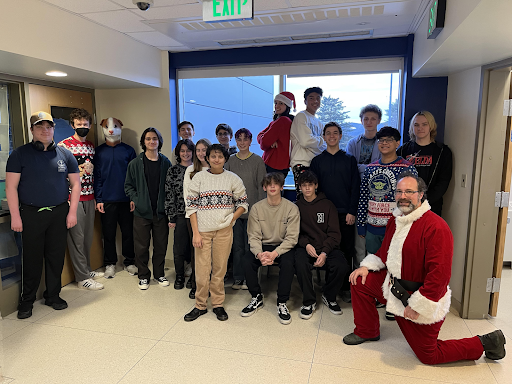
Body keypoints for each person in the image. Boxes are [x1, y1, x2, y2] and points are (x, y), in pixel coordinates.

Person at [344, 172, 506, 365]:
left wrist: (418, 305)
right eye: (399, 191)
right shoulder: (395, 220)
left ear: (421, 195)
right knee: (360, 281)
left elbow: (440, 276)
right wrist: (367, 267)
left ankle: (486, 342)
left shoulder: (436, 227)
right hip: (394, 285)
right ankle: (367, 331)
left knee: (429, 355)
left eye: (409, 192)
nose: (403, 196)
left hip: (419, 294)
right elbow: (385, 251)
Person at [6, 111, 80, 319]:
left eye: (49, 127)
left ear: (53, 129)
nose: (45, 130)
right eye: (40, 127)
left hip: (59, 213)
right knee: (31, 259)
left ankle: (53, 295)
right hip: (30, 214)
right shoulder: (19, 155)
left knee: (55, 258)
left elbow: (75, 185)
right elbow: (11, 188)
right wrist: (15, 216)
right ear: (32, 130)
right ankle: (27, 300)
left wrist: (72, 212)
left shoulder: (66, 155)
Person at [184, 144, 248, 322]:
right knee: (202, 270)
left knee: (219, 269)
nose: (216, 159)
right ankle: (200, 305)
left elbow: (243, 203)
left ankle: (218, 304)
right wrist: (195, 233)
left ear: (225, 159)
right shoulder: (198, 178)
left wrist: (231, 220)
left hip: (223, 231)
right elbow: (191, 207)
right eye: (213, 156)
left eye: (220, 156)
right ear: (207, 158)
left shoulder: (233, 179)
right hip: (202, 231)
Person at [310, 122, 360, 303]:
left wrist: (351, 211)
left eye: (335, 133)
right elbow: (313, 190)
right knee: (326, 248)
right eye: (328, 133)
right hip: (323, 214)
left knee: (346, 249)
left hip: (344, 212)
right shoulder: (316, 161)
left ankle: (345, 287)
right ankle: (327, 285)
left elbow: (355, 188)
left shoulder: (349, 160)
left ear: (340, 136)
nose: (331, 136)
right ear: (323, 137)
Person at [240, 172, 300, 325]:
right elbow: (253, 236)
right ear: (264, 188)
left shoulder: (291, 208)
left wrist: (275, 253)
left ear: (281, 187)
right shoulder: (256, 208)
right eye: (269, 184)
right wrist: (259, 254)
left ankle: (282, 302)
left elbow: (292, 238)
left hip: (282, 247)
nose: (272, 186)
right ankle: (256, 297)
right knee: (247, 260)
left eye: (276, 183)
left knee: (288, 263)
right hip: (263, 246)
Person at [58, 108, 104, 291]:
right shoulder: (63, 146)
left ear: (90, 125)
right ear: (72, 125)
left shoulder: (91, 146)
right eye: (78, 124)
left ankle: (86, 269)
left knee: (87, 237)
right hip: (72, 198)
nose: (82, 127)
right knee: (76, 238)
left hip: (89, 196)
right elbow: (59, 173)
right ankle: (82, 277)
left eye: (85, 124)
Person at [294, 170, 349, 319]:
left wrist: (324, 252)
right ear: (299, 187)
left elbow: (334, 234)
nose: (307, 188)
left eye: (310, 185)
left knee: (341, 265)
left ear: (316, 186)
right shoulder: (296, 206)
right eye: (303, 185)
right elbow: (294, 233)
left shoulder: (328, 205)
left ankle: (329, 296)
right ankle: (309, 301)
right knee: (299, 262)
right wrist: (306, 245)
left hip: (327, 247)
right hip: (306, 247)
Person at [357, 127, 417, 256]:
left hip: (397, 228)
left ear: (397, 143)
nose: (384, 143)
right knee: (373, 265)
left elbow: (414, 201)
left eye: (389, 140)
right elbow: (363, 197)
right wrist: (361, 224)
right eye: (381, 140)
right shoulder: (370, 168)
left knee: (394, 267)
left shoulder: (407, 168)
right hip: (372, 228)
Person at [125, 127, 171, 290]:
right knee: (141, 246)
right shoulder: (135, 163)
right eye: (148, 139)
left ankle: (159, 274)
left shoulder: (165, 163)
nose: (152, 141)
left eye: (155, 138)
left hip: (160, 213)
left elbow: (170, 187)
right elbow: (128, 186)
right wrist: (136, 199)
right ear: (143, 142)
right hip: (142, 213)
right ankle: (143, 275)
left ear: (159, 141)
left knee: (160, 245)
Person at [94, 117, 138, 279]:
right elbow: (96, 177)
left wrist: (133, 197)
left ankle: (129, 262)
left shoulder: (129, 150)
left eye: (115, 126)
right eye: (107, 127)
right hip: (106, 200)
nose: (111, 130)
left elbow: (134, 177)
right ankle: (110, 263)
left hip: (126, 199)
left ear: (121, 128)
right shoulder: (98, 152)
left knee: (128, 233)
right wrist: (99, 199)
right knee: (108, 234)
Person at [225, 128, 266, 290]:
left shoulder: (257, 161)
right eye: (239, 139)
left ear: (250, 141)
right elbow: (227, 187)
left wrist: (260, 212)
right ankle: (238, 278)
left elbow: (262, 188)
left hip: (253, 212)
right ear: (236, 141)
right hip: (235, 213)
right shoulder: (230, 161)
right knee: (237, 246)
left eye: (245, 139)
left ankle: (251, 279)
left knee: (251, 246)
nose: (242, 142)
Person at [346, 104, 382, 267]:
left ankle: (373, 281)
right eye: (366, 118)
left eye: (373, 119)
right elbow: (350, 168)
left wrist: (364, 167)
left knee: (374, 246)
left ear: (379, 121)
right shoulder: (353, 143)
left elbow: (381, 168)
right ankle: (358, 284)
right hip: (357, 196)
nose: (369, 122)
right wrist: (371, 167)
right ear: (361, 121)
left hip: (377, 197)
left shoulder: (383, 144)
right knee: (358, 245)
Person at [397, 111, 453, 216]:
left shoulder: (442, 152)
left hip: (431, 206)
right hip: (405, 205)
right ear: (412, 127)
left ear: (431, 126)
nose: (420, 128)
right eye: (416, 125)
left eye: (424, 124)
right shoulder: (402, 151)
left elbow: (443, 182)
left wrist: (423, 201)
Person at [182, 138, 212, 299]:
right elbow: (188, 196)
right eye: (198, 150)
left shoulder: (215, 169)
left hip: (212, 218)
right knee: (197, 251)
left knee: (211, 253)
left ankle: (209, 284)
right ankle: (196, 284)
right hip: (193, 216)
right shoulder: (190, 170)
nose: (201, 153)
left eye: (204, 150)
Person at [165, 139, 195, 290]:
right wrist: (172, 216)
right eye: (182, 151)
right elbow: (169, 194)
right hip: (181, 214)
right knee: (179, 248)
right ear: (178, 153)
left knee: (195, 247)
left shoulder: (199, 170)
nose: (185, 154)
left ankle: (193, 278)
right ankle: (179, 276)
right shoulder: (173, 170)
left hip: (196, 215)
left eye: (188, 151)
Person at [290, 87, 326, 194]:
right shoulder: (301, 116)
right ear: (305, 101)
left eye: (318, 98)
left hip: (315, 164)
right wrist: (320, 140)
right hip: (301, 163)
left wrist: (316, 142)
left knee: (316, 198)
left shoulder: (319, 123)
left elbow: (324, 146)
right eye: (311, 98)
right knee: (304, 198)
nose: (315, 101)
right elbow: (305, 142)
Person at [257, 92, 296, 177]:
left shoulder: (282, 121)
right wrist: (268, 140)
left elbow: (263, 143)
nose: (277, 106)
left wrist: (266, 140)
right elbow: (260, 135)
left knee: (269, 189)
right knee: (276, 189)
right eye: (276, 103)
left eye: (281, 103)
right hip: (281, 165)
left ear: (287, 106)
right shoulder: (286, 120)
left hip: (274, 164)